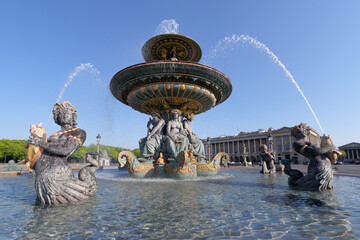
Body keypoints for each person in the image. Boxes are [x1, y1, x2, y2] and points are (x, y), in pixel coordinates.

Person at [28, 101, 99, 205]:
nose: (64, 114)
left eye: (68, 111)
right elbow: (42, 151)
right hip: (42, 177)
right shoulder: (52, 136)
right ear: (57, 117)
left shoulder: (79, 132)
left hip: (59, 178)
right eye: (60, 112)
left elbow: (66, 150)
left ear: (73, 116)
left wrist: (42, 144)